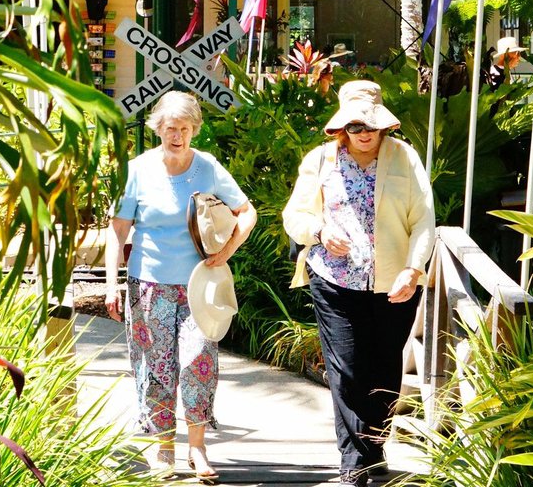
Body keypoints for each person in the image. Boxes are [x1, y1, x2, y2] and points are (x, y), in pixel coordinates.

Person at [283, 80, 435, 487]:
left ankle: (375, 448)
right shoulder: (320, 161)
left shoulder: (405, 158)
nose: (363, 133)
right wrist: (317, 231)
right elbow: (293, 216)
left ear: (384, 126)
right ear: (341, 129)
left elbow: (424, 220)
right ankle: (355, 461)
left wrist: (414, 268)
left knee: (385, 368)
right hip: (334, 280)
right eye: (353, 126)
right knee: (348, 369)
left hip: (395, 282)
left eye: (369, 125)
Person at [105, 90, 257, 480]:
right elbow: (118, 229)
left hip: (199, 285)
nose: (178, 136)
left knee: (198, 362)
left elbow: (246, 212)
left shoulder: (207, 167)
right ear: (159, 128)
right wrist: (112, 284)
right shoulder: (137, 169)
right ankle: (163, 449)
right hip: (149, 285)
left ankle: (198, 448)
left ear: (194, 131)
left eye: (186, 129)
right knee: (156, 367)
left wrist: (225, 253)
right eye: (171, 128)